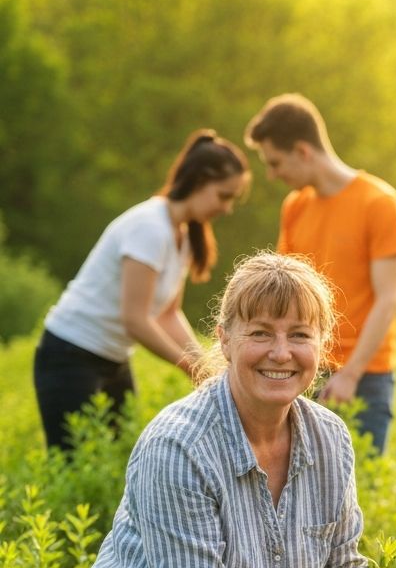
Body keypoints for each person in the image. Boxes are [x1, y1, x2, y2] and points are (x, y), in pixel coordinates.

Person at [42, 252, 396, 568]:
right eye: (260, 333)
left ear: (322, 346)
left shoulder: (328, 439)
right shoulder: (179, 446)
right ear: (225, 338)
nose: (281, 352)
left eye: (300, 334)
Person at [33, 130, 250, 452]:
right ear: (200, 180)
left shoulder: (185, 236)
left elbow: (167, 313)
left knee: (125, 453)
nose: (227, 208)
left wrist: (208, 363)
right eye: (224, 195)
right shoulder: (149, 226)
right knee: (74, 462)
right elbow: (135, 319)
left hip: (114, 358)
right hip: (70, 355)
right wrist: (193, 369)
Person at [244, 93, 396, 455]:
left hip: (365, 376)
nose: (272, 175)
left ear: (303, 151)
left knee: (358, 488)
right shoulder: (295, 206)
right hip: (298, 367)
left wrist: (351, 374)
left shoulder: (380, 204)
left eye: (275, 163)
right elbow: (281, 292)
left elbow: (389, 298)